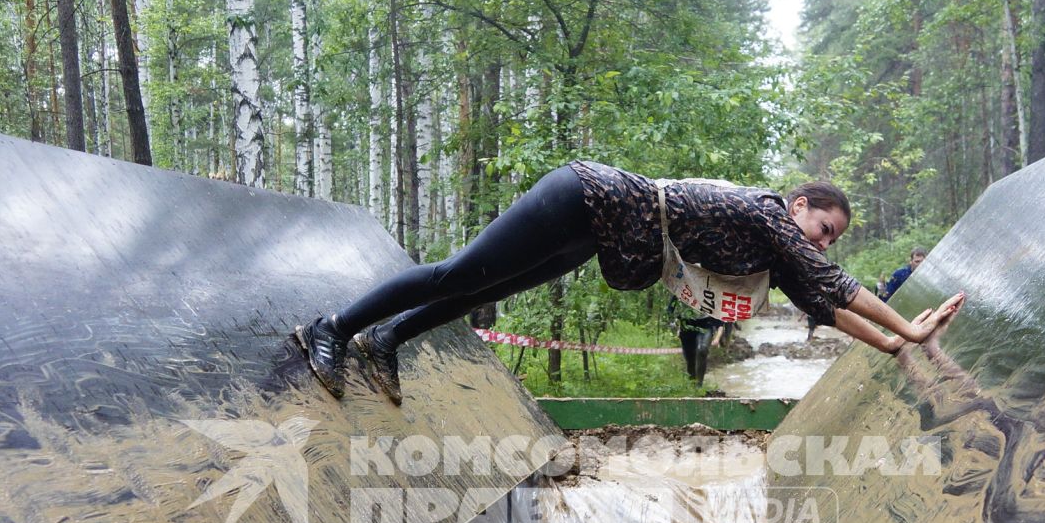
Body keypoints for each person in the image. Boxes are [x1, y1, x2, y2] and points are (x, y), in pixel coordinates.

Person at [294, 161, 965, 403]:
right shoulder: (769, 213)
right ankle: (335, 328)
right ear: (799, 207)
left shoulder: (781, 250)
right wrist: (907, 324)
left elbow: (823, 301)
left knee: (477, 295)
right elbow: (837, 282)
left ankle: (386, 340)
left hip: (596, 236)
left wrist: (896, 345)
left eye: (832, 238)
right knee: (461, 273)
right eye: (825, 228)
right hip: (584, 197)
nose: (823, 243)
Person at [806, 245, 927, 343]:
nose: (920, 265)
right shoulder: (900, 275)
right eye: (917, 262)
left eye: (922, 262)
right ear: (911, 261)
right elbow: (886, 296)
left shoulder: (928, 275)